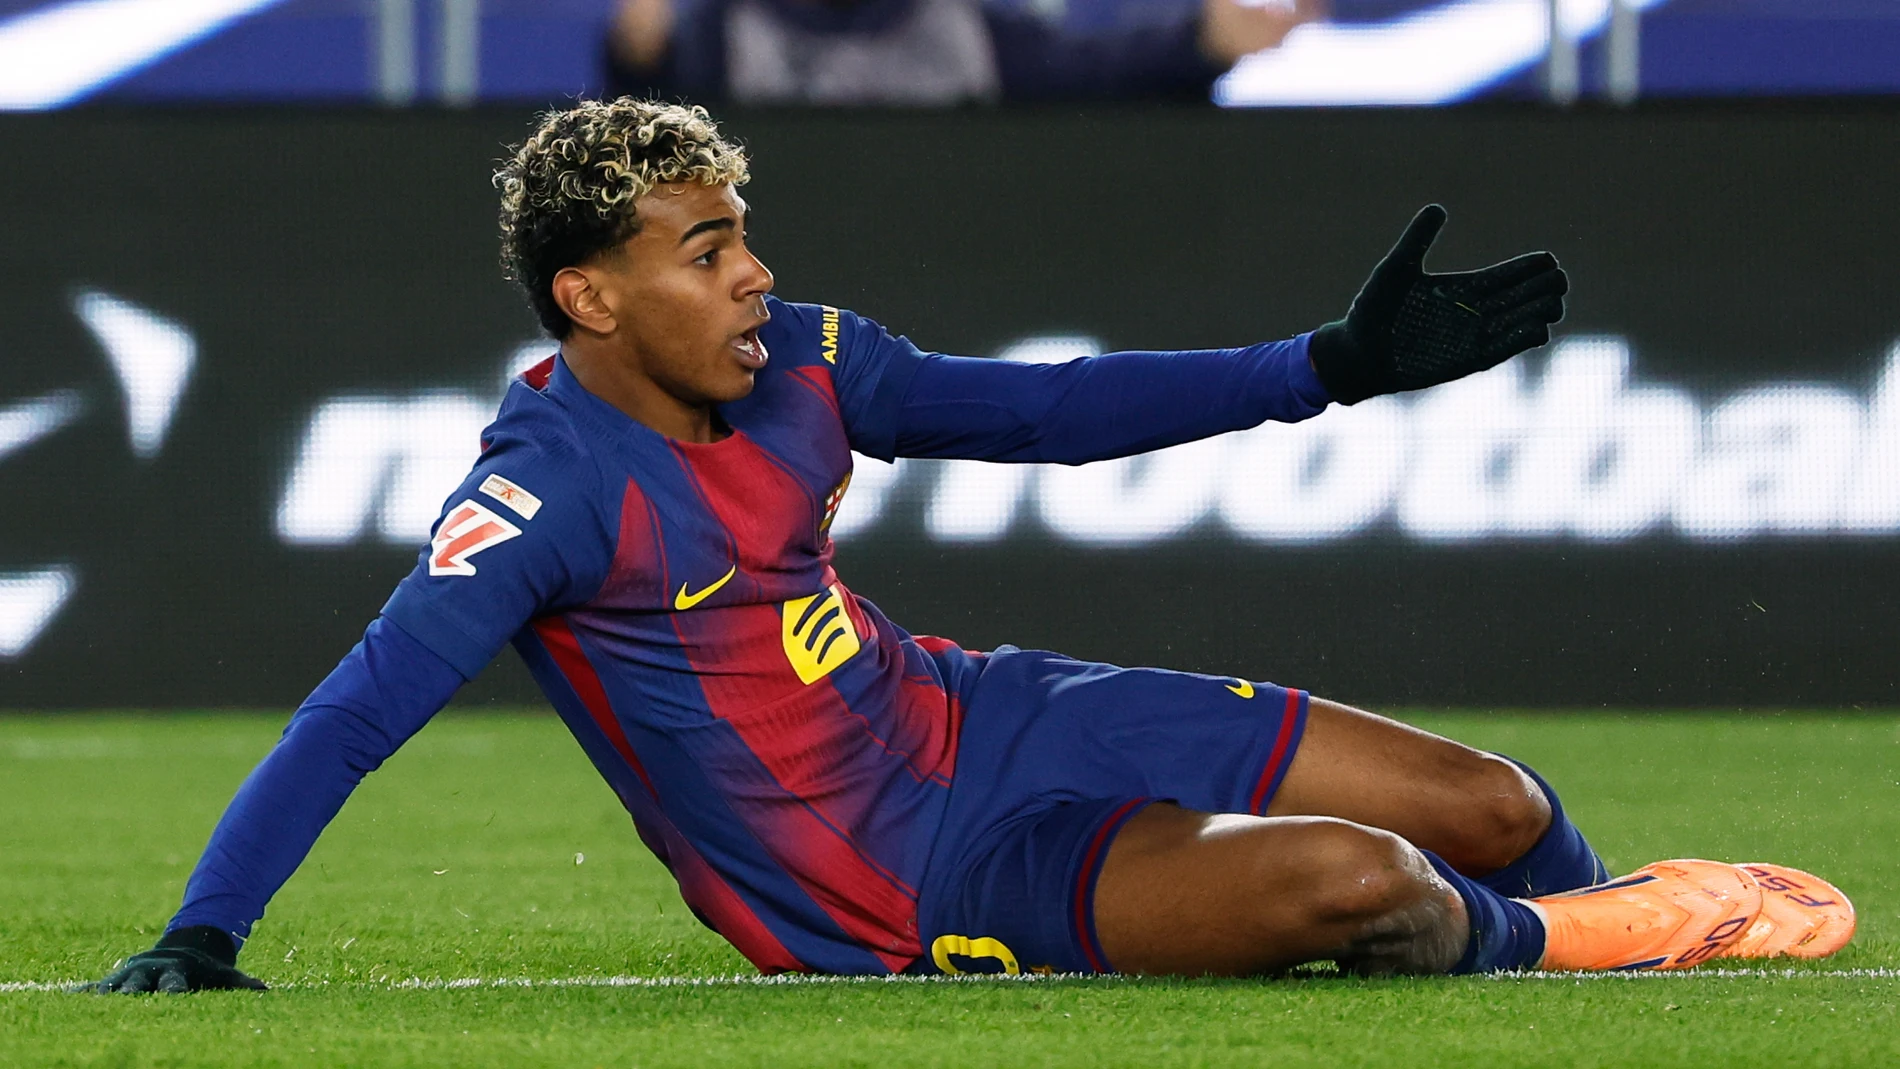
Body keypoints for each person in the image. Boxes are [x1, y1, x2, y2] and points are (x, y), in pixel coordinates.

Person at [88, 99, 1854, 993]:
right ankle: (1613, 940)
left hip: (984, 713)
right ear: (591, 294)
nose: (751, 272)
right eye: (704, 250)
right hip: (895, 879)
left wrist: (1325, 368)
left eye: (743, 233)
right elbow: (355, 710)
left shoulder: (812, 366)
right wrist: (206, 924)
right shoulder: (547, 490)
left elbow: (1058, 410)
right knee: (1362, 883)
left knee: (1493, 799)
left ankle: (1582, 927)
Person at [604, 0, 1322, 105]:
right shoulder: (723, 35)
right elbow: (649, 144)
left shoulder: (967, 31)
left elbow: (1085, 76)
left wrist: (1199, 44)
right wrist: (640, 61)